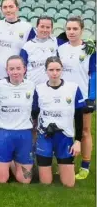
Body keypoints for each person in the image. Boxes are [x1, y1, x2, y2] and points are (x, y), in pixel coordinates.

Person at [35, 56, 84, 187]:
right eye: (51, 70)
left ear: (62, 70)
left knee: (69, 183)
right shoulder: (39, 89)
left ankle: (62, 165)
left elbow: (79, 117)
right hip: (45, 136)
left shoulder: (73, 88)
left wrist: (78, 141)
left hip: (65, 137)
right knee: (45, 182)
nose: (54, 73)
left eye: (58, 69)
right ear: (46, 71)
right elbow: (34, 114)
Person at [57, 16, 96, 180]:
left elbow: (94, 73)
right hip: (64, 96)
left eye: (75, 29)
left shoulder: (89, 49)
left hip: (83, 97)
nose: (71, 32)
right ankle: (67, 163)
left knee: (85, 131)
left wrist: (92, 97)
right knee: (65, 131)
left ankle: (85, 166)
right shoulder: (60, 48)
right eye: (69, 29)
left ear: (82, 30)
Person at [0, 55, 36, 184]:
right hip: (5, 134)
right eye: (12, 69)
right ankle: (8, 161)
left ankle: (15, 160)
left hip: (24, 134)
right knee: (1, 180)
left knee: (25, 180)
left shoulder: (31, 86)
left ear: (24, 69)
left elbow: (36, 110)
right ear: (7, 70)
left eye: (18, 68)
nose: (15, 72)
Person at [0, 0, 36, 84]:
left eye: (11, 6)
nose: (8, 10)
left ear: (17, 8)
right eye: (5, 7)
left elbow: (31, 52)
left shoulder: (27, 28)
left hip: (15, 77)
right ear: (1, 9)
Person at [20, 16, 59, 86]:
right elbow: (21, 68)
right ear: (37, 27)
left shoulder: (56, 42)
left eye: (48, 27)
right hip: (32, 87)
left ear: (51, 29)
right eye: (42, 26)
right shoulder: (27, 46)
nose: (45, 30)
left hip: (51, 87)